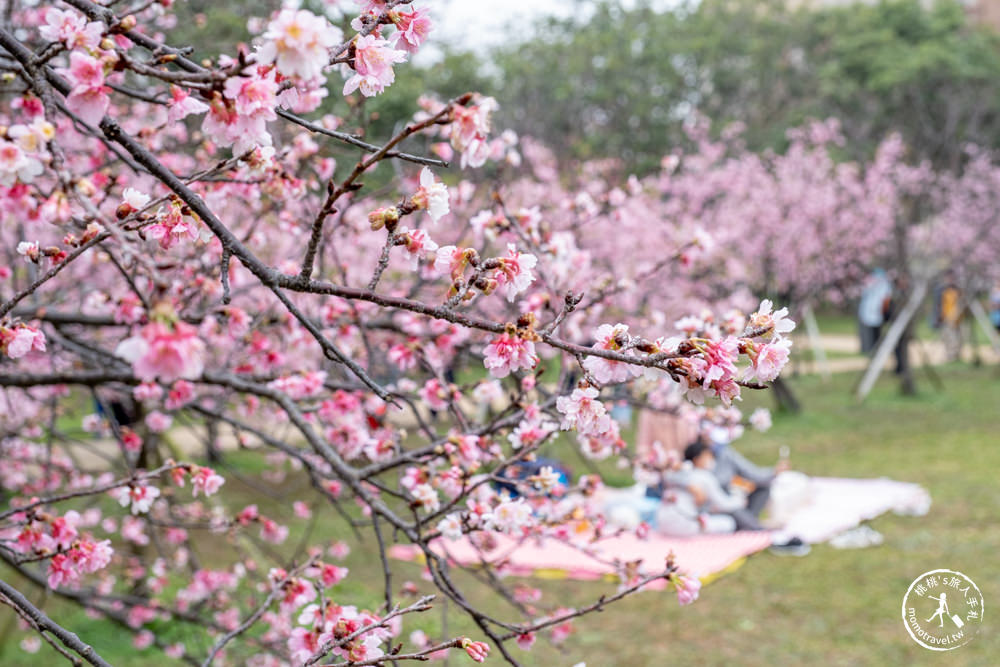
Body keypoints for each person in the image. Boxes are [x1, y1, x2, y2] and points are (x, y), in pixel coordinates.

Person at [858, 268, 892, 354]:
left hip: (871, 313)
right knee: (874, 334)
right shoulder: (883, 283)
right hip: (873, 313)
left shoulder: (871, 282)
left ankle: (873, 350)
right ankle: (873, 350)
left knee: (873, 334)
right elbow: (886, 299)